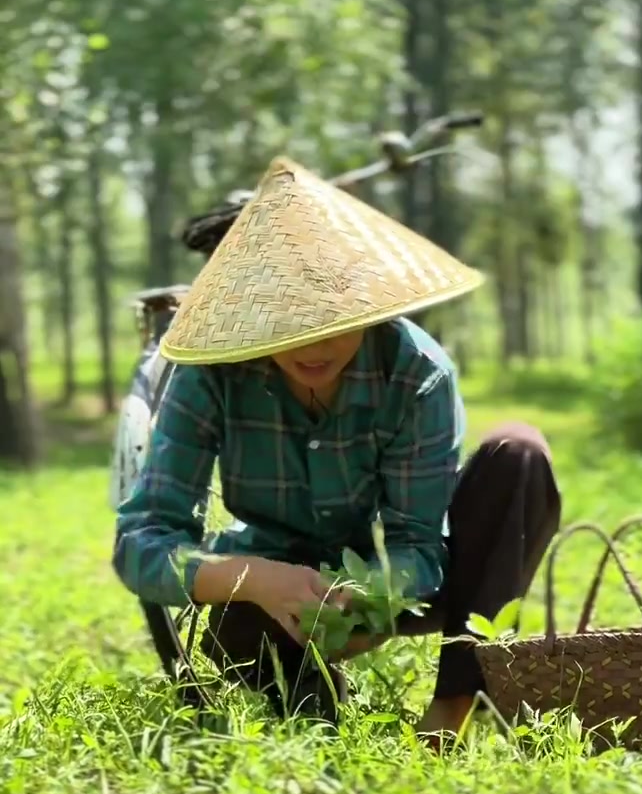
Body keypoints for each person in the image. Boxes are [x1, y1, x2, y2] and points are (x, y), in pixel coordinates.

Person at [113, 156, 561, 745]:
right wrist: (255, 579)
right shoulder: (211, 375)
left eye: (335, 320)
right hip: (269, 590)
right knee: (287, 692)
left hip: (400, 585)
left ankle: (454, 706)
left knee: (520, 453)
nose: (315, 346)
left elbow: (419, 548)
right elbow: (141, 545)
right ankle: (311, 688)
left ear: (370, 306)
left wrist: (372, 597)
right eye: (289, 323)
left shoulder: (415, 373)